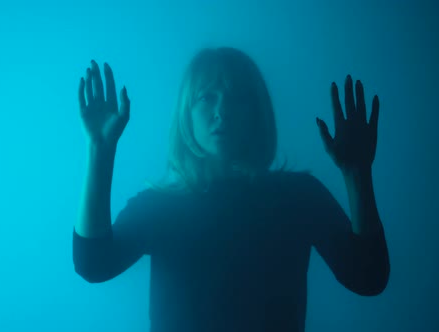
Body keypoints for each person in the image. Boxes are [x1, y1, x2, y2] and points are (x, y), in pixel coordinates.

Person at [73, 47, 390, 332]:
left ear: (258, 112)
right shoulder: (162, 206)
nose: (221, 110)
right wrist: (99, 150)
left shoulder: (299, 196)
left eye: (237, 96)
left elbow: (368, 277)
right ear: (186, 114)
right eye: (206, 96)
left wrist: (357, 173)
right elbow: (94, 264)